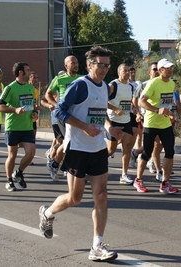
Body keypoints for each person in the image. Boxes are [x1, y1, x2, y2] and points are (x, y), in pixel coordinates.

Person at [38, 46, 122, 261]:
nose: (104, 69)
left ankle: (97, 246)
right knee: (75, 198)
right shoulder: (79, 85)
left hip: (97, 148)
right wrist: (84, 126)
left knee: (101, 196)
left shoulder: (104, 86)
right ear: (89, 65)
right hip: (77, 148)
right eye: (100, 64)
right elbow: (59, 110)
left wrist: (109, 127)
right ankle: (48, 214)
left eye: (107, 65)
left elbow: (100, 111)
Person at [133, 58, 179, 194]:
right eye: (167, 68)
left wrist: (171, 114)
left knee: (170, 152)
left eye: (171, 67)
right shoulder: (153, 83)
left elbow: (165, 103)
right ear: (160, 70)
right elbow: (141, 102)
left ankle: (165, 183)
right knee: (147, 152)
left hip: (165, 123)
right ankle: (138, 180)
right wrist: (156, 110)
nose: (170, 70)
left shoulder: (171, 84)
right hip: (151, 122)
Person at [0, 62, 36, 191]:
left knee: (30, 154)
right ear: (21, 72)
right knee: (12, 155)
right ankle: (9, 180)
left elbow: (32, 105)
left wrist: (34, 113)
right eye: (28, 70)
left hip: (27, 127)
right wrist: (15, 110)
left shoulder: (30, 88)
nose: (30, 72)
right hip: (13, 127)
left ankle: (19, 172)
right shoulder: (10, 88)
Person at [44, 55, 80, 181]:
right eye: (72, 63)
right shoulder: (59, 79)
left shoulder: (82, 79)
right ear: (66, 66)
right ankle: (70, 169)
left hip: (77, 116)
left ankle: (54, 164)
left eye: (76, 62)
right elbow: (47, 94)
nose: (75, 64)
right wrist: (56, 106)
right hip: (63, 116)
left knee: (73, 144)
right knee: (68, 143)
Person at [107, 64, 134, 184]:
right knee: (111, 150)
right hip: (113, 120)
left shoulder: (131, 86)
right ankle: (94, 165)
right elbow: (102, 100)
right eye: (125, 71)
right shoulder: (113, 85)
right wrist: (115, 109)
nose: (127, 73)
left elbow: (128, 103)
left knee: (127, 147)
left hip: (126, 120)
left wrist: (135, 110)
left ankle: (124, 174)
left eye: (129, 71)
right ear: (119, 72)